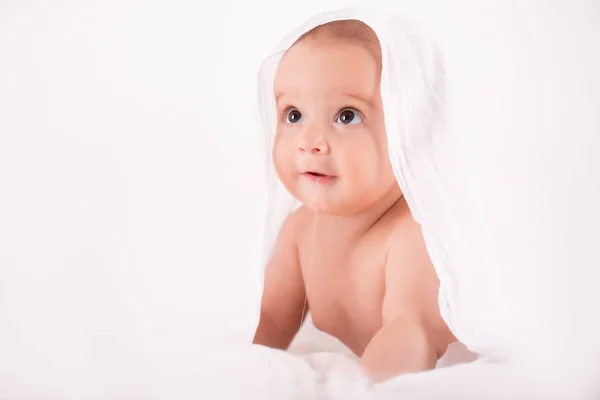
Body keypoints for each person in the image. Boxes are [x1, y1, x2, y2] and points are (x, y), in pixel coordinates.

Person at [252, 18, 456, 382]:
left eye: (347, 116)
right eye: (293, 115)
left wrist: (367, 389)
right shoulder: (301, 231)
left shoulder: (411, 235)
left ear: (408, 129)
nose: (310, 141)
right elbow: (268, 323)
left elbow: (410, 333)